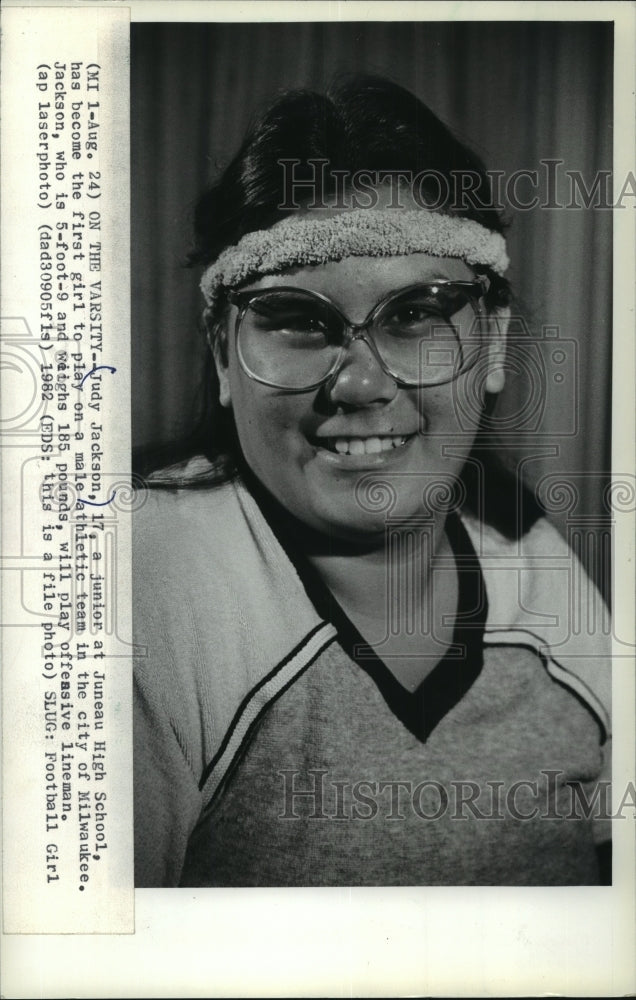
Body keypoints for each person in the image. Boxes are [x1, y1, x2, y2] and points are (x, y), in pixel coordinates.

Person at [133, 76, 611, 887]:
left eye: (417, 313)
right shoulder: (140, 592)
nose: (359, 386)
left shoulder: (533, 558)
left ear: (492, 341)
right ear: (222, 354)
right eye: (295, 318)